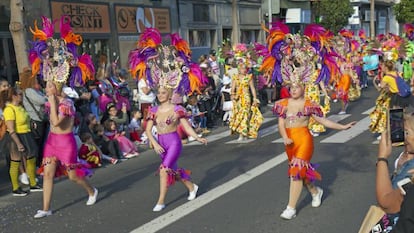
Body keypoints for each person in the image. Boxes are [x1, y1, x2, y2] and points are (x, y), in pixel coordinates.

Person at [273, 82, 356, 220]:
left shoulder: (308, 104)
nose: (293, 90)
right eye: (291, 88)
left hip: (304, 140)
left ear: (303, 88)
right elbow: (281, 123)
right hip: (289, 142)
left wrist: (343, 127)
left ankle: (291, 208)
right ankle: (316, 191)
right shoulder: (283, 104)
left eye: (296, 87)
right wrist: (285, 137)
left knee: (297, 171)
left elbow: (323, 121)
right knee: (302, 173)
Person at [34, 81, 98, 218]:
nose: (47, 89)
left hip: (66, 143)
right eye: (46, 86)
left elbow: (57, 122)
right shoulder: (49, 102)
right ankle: (45, 209)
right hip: (51, 142)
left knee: (73, 176)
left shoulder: (67, 104)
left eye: (50, 86)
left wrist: (52, 103)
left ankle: (92, 191)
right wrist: (50, 103)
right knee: (47, 174)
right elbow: (51, 122)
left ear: (57, 88)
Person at [146, 87, 207, 212]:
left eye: (163, 93)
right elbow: (147, 130)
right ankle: (191, 187)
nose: (160, 95)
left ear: (169, 95)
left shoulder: (177, 109)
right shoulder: (153, 110)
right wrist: (155, 144)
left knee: (164, 170)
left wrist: (196, 137)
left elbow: (186, 126)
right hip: (161, 144)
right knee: (171, 170)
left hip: (173, 142)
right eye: (158, 93)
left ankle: (161, 201)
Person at [373, 108, 414, 232]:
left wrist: (382, 158)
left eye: (406, 133)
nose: (403, 137)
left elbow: (386, 202)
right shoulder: (405, 156)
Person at [2, 86, 42, 196]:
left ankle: (33, 183)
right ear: (13, 96)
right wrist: (18, 143)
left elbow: (25, 118)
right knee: (16, 162)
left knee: (31, 158)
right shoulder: (9, 109)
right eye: (20, 94)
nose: (22, 96)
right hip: (16, 137)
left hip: (26, 134)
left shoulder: (20, 107)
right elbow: (11, 129)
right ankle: (16, 188)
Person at [229, 61, 263, 141]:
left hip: (246, 98)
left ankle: (243, 133)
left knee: (245, 114)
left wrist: (255, 98)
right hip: (238, 99)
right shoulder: (235, 77)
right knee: (239, 116)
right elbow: (233, 89)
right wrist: (233, 96)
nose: (244, 70)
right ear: (239, 69)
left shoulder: (249, 77)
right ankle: (242, 132)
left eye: (245, 68)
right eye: (242, 68)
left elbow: (252, 88)